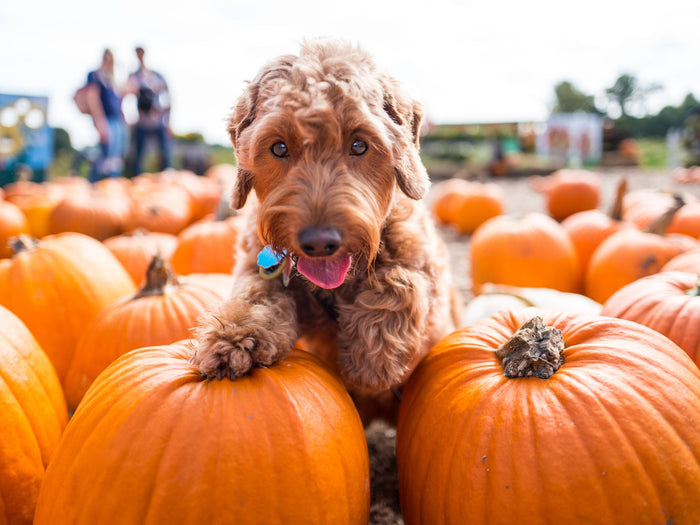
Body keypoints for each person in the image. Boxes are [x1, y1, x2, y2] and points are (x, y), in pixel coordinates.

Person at [127, 47, 172, 176]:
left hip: (156, 120)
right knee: (138, 156)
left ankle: (168, 178)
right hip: (142, 121)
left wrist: (167, 119)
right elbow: (126, 94)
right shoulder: (134, 76)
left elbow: (168, 97)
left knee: (164, 154)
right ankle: (136, 179)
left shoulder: (156, 75)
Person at [84, 49, 127, 182]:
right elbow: (92, 99)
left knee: (115, 158)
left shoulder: (112, 79)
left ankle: (112, 184)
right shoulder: (95, 75)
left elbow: (119, 101)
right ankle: (95, 185)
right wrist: (99, 122)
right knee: (104, 156)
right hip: (106, 120)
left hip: (117, 121)